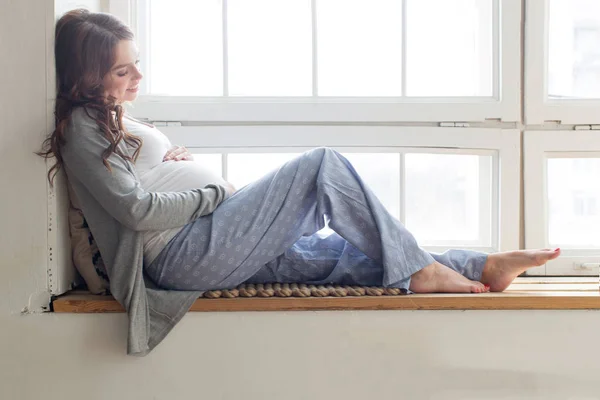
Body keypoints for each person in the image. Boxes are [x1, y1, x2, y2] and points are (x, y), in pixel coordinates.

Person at [39, 10, 560, 355]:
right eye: (122, 72)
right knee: (320, 167)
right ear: (86, 75)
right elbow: (134, 210)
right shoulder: (83, 127)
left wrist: (176, 163)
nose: (138, 80)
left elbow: (143, 182)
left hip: (203, 240)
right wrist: (214, 192)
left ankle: (481, 265)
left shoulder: (110, 119)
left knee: (334, 254)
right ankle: (422, 270)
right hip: (182, 253)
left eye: (137, 67)